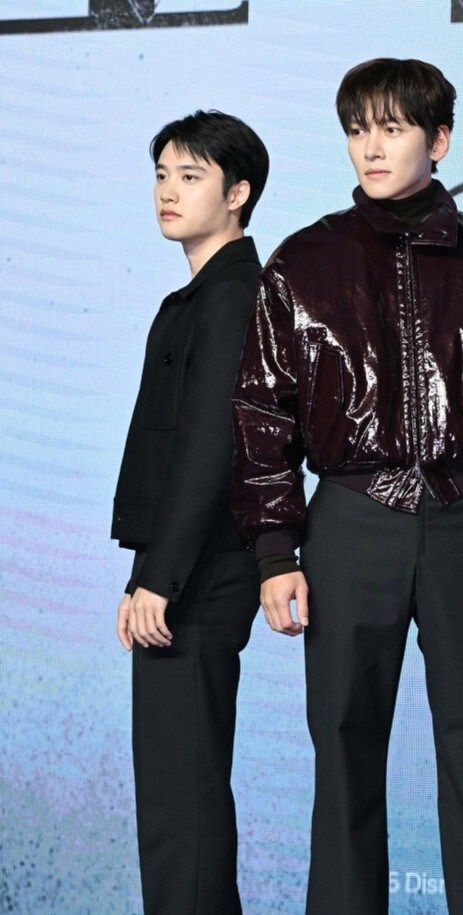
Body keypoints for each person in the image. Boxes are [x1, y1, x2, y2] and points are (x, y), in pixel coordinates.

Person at [230, 59, 463, 915]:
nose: (372, 147)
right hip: (350, 523)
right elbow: (261, 410)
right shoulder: (302, 263)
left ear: (440, 139)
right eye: (358, 130)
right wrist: (276, 550)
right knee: (344, 752)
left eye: (392, 128)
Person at [111, 109, 269, 915]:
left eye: (191, 176)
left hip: (203, 570)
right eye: (162, 175)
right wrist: (148, 570)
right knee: (177, 788)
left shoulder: (234, 295)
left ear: (237, 193)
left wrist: (161, 577)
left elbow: (211, 446)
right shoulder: (207, 293)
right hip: (181, 566)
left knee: (186, 791)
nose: (168, 192)